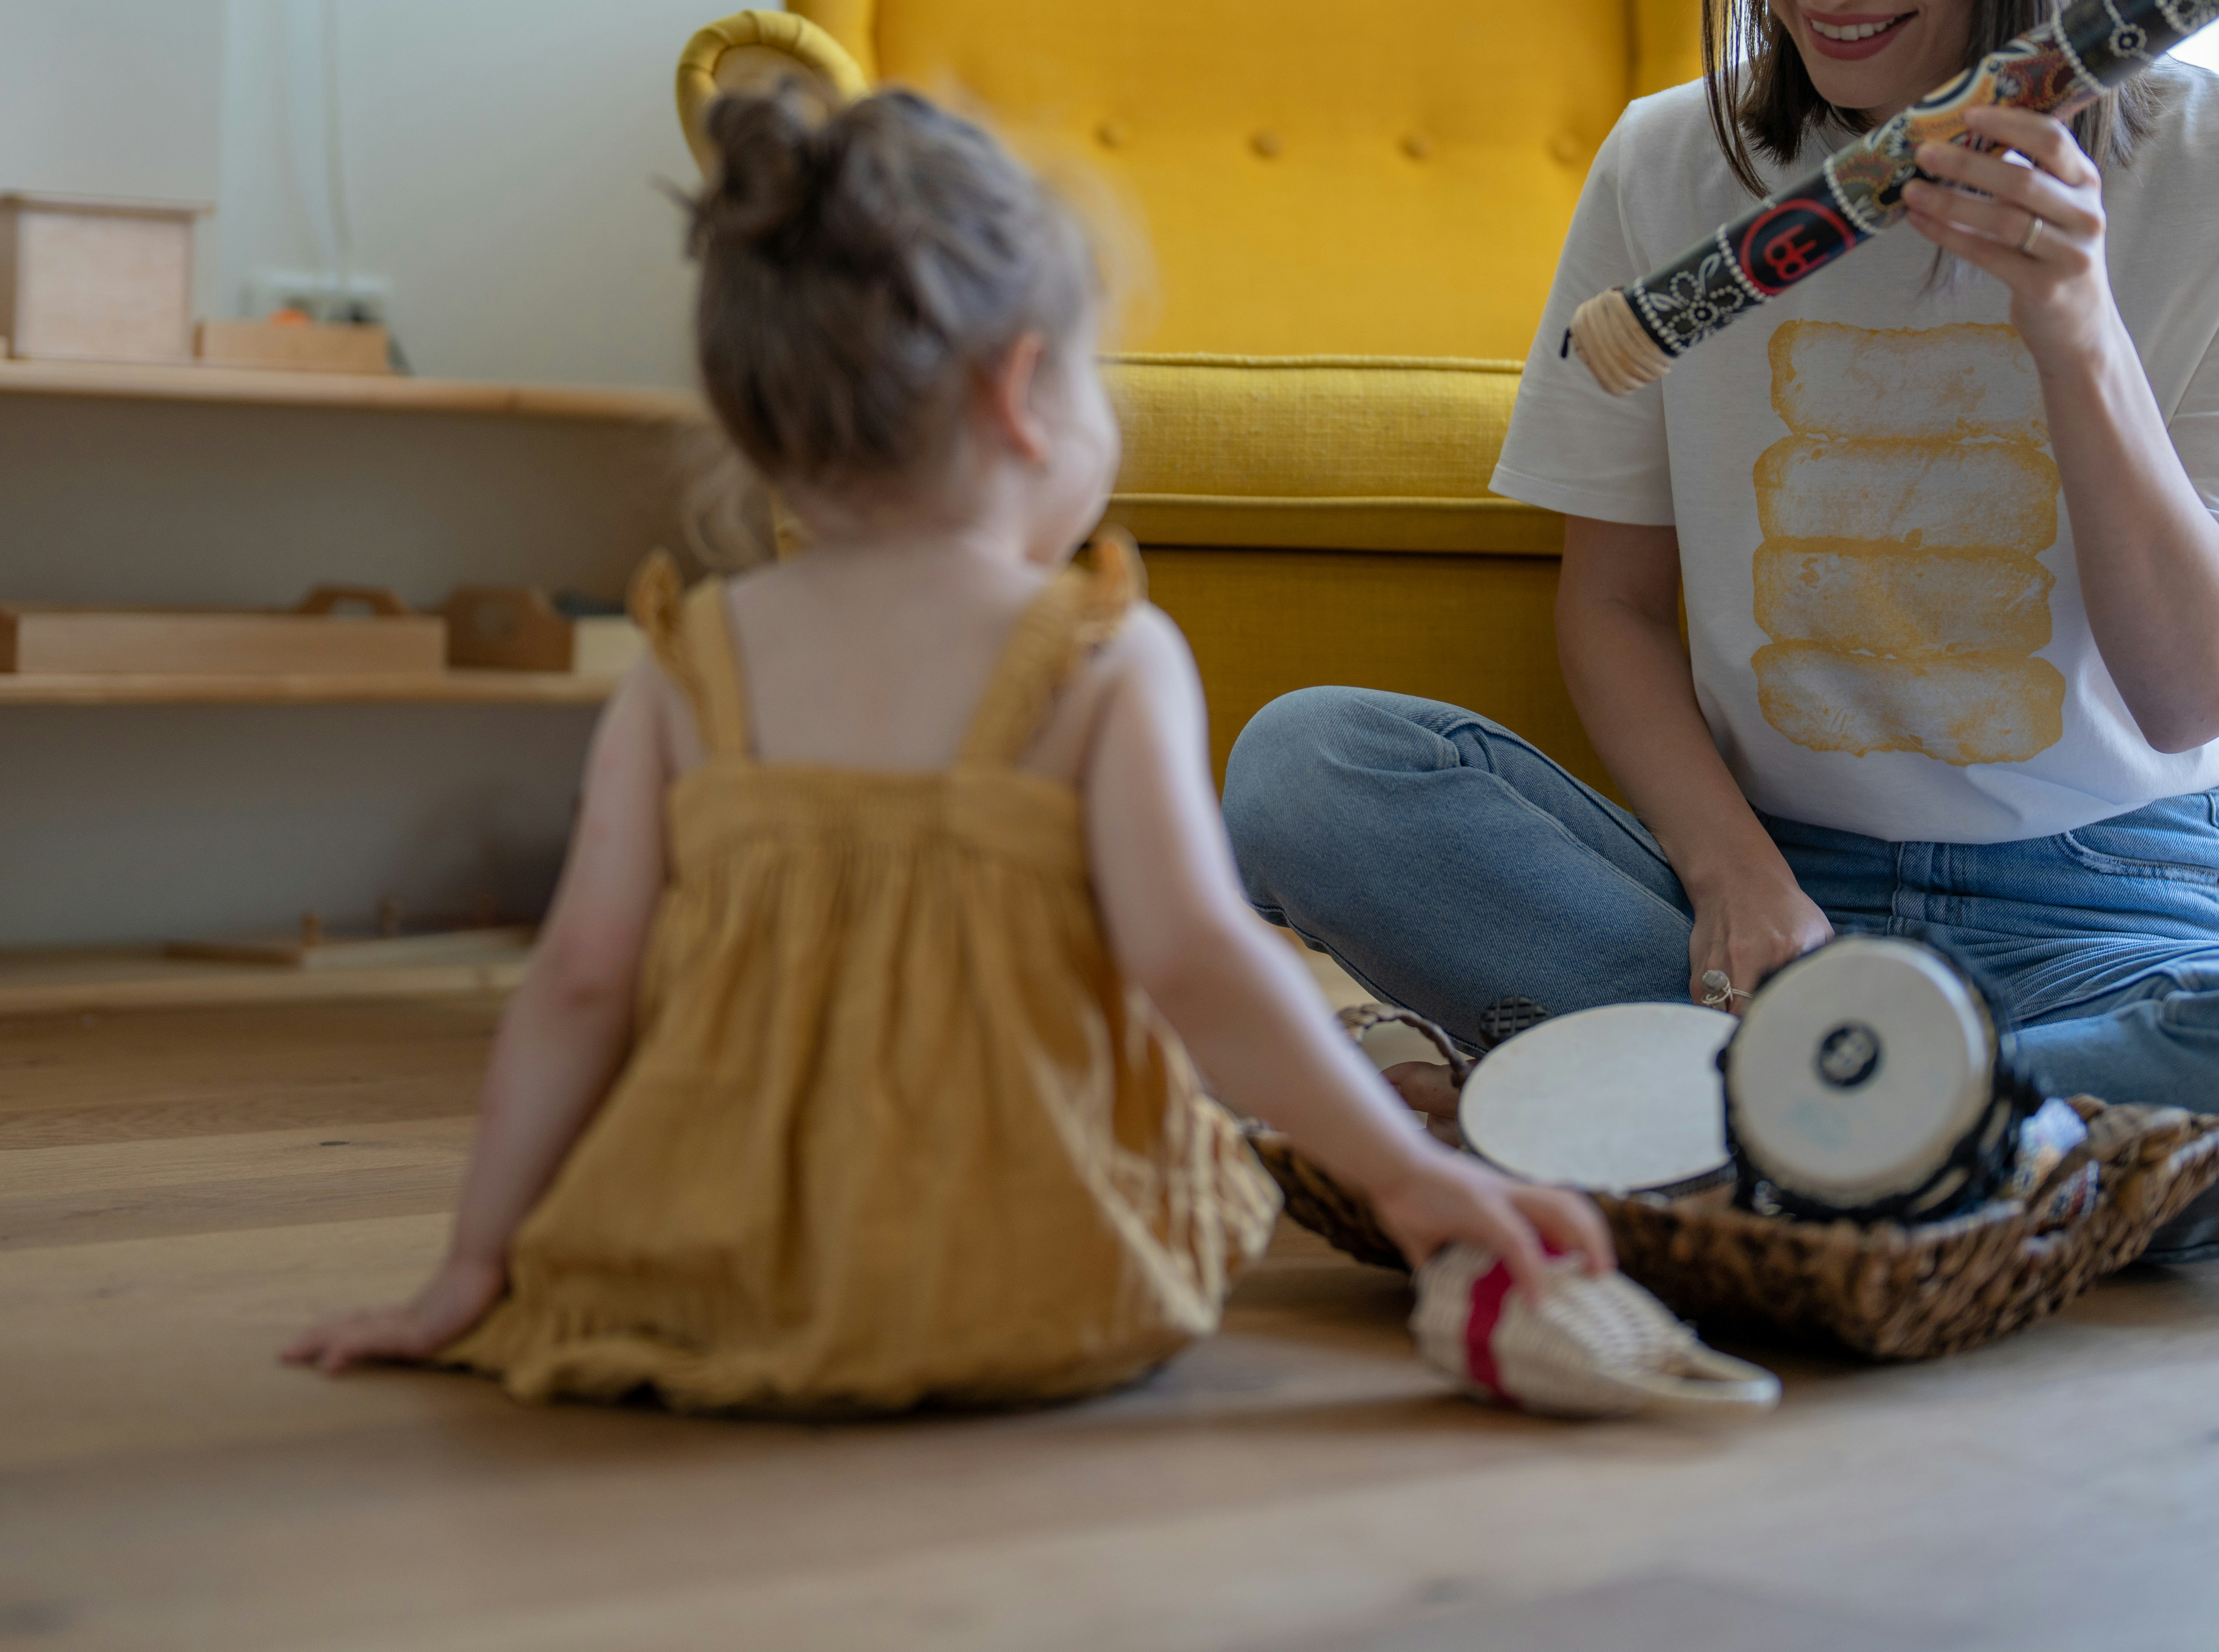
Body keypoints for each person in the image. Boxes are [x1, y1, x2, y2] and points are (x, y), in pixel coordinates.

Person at [1222, 0, 2219, 1262]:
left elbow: (2189, 691)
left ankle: (1682, 1127)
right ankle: (1919, 1156)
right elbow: (1613, 605)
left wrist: (2073, 324)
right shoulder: (1670, 168)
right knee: (1309, 765)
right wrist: (1730, 872)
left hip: (2108, 917)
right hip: (1760, 899)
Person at [284, 83, 1613, 1414]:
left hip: (713, 1272)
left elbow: (579, 980)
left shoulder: (689, 662)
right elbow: (1198, 962)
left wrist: (471, 1268)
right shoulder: (1099, 654)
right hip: (1037, 1280)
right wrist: (1410, 1173)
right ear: (1026, 391)